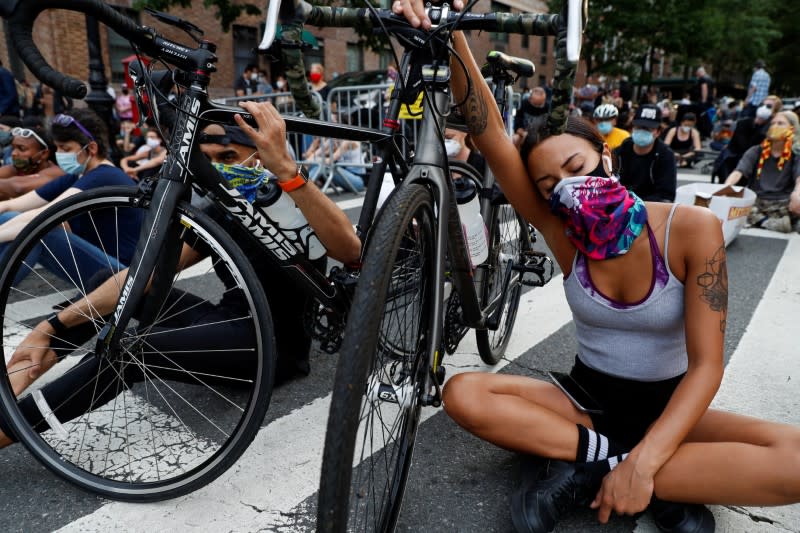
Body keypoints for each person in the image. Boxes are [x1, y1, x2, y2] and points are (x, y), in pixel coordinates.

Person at [395, 5, 800, 533]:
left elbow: (706, 367)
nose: (566, 188)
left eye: (577, 168)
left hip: (671, 408)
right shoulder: (566, 239)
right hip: (585, 405)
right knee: (463, 394)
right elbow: (489, 131)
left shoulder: (690, 228)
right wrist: (445, 33)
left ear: (607, 158)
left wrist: (649, 457)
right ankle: (615, 462)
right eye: (548, 188)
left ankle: (609, 468)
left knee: (793, 458)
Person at [0, 101, 361, 449]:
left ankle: (11, 429)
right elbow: (146, 277)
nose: (220, 170)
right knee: (105, 283)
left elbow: (349, 250)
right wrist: (52, 327)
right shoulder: (224, 210)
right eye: (212, 161)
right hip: (225, 319)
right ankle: (31, 364)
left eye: (230, 157)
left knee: (134, 352)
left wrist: (285, 169)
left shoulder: (295, 196)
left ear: (262, 154)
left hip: (273, 347)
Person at [0, 109, 139, 283]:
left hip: (124, 278)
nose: (59, 154)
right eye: (57, 147)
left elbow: (42, 216)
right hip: (103, 268)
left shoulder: (105, 176)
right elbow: (11, 205)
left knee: (40, 231)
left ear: (92, 148)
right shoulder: (78, 175)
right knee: (7, 216)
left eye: (65, 148)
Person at [723, 111, 800, 233]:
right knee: (737, 206)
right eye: (773, 123)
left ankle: (765, 222)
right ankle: (770, 222)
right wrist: (724, 190)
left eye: (780, 123)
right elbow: (738, 172)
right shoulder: (756, 150)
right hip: (758, 202)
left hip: (784, 203)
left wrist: (797, 194)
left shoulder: (796, 153)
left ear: (792, 128)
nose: (775, 126)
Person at [614, 104, 677, 202]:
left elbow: (666, 195)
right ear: (632, 128)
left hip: (650, 208)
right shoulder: (619, 152)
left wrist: (636, 204)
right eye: (638, 127)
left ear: (658, 132)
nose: (642, 131)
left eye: (647, 129)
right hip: (619, 205)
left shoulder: (665, 156)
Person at [0, 124, 64, 199]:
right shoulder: (15, 169)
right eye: (13, 148)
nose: (13, 153)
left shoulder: (55, 173)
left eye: (22, 148)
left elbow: (18, 188)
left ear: (44, 154)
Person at [689, 67, 715, 138]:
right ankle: (707, 132)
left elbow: (704, 88)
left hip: (702, 102)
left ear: (699, 72)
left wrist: (703, 100)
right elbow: (714, 91)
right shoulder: (710, 79)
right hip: (708, 102)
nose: (697, 75)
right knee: (705, 117)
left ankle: (703, 133)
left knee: (701, 117)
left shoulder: (702, 79)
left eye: (697, 73)